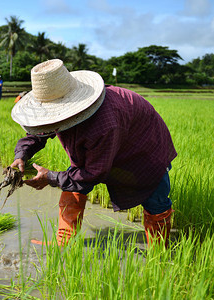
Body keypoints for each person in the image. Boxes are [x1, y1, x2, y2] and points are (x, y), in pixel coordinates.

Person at [10, 59, 177, 248]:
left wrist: (50, 177)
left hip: (145, 151)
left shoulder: (104, 124)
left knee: (155, 198)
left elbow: (93, 173)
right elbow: (40, 132)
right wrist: (21, 154)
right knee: (73, 184)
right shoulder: (61, 104)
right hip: (110, 140)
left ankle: (159, 252)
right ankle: (64, 241)